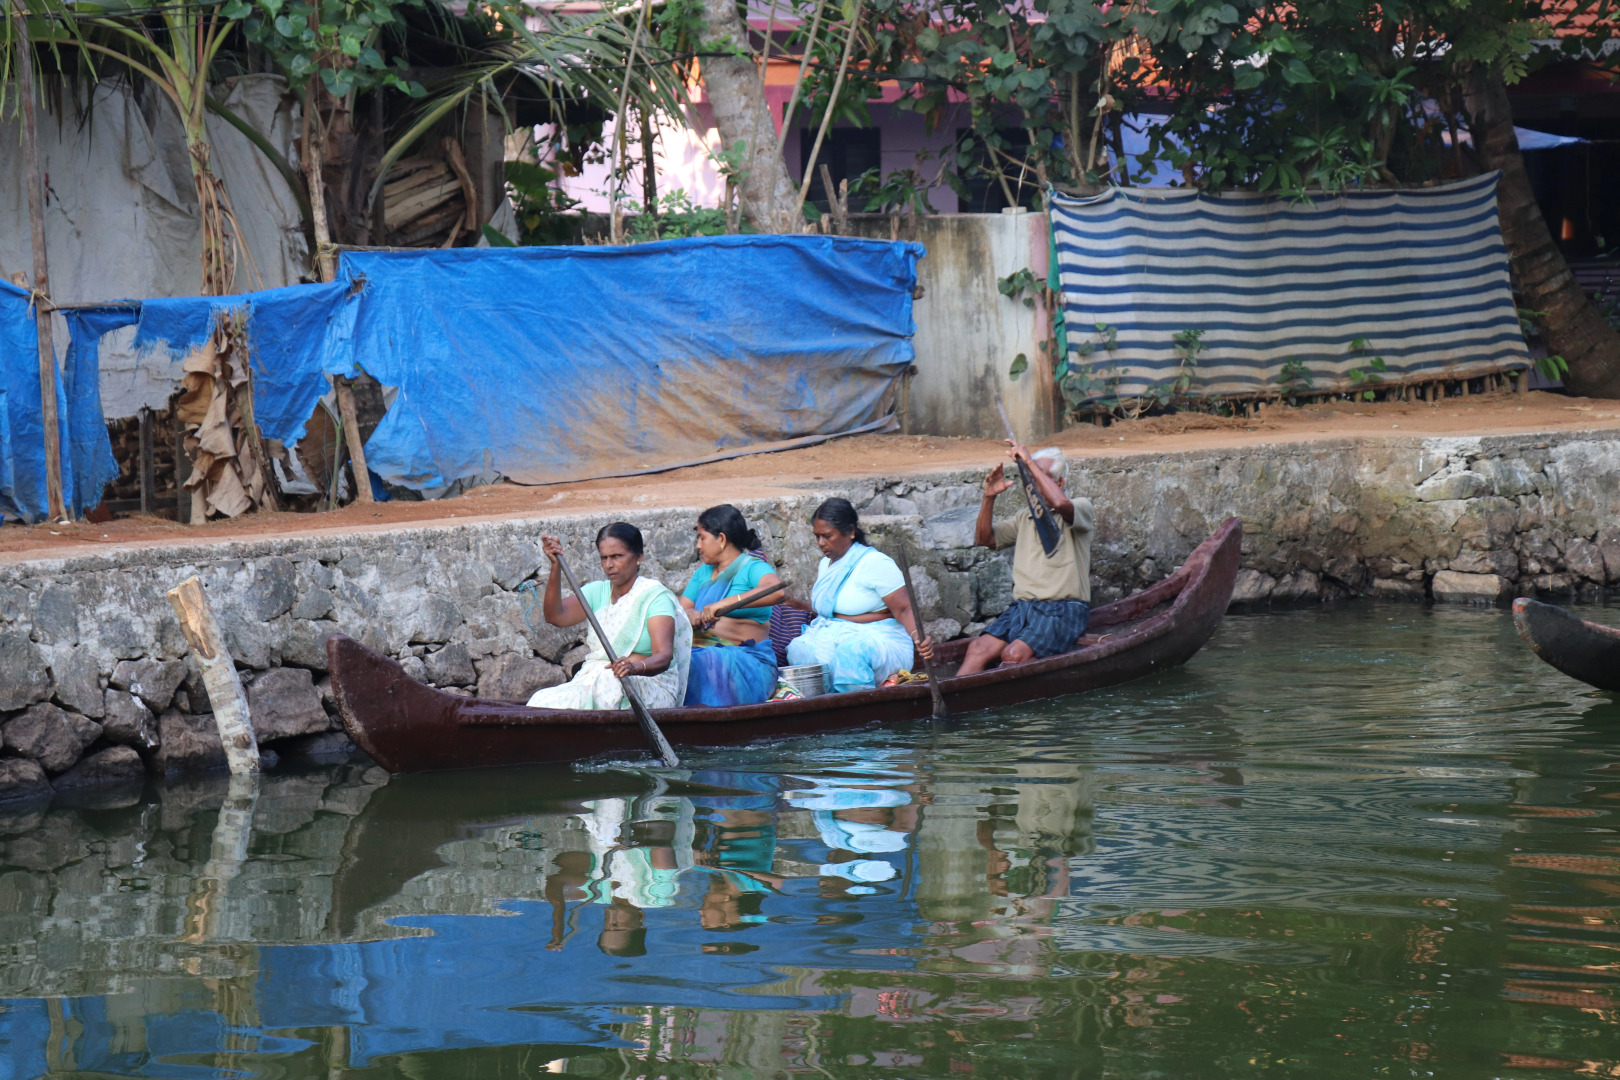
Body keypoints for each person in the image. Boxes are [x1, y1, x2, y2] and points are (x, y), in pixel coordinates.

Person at [956, 442, 1094, 676]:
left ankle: (1000, 704)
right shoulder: (1025, 517)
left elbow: (1060, 503)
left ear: (1059, 483)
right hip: (1024, 608)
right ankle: (954, 707)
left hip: (1063, 609)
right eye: (1030, 478)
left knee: (1013, 654)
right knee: (977, 648)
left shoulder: (1080, 507)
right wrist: (989, 497)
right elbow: (985, 538)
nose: (1033, 484)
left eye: (1041, 478)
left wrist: (1029, 462)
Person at [527, 522, 692, 710]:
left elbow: (663, 656)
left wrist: (633, 667)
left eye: (617, 556)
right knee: (539, 699)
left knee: (608, 680)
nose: (609, 565)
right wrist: (556, 567)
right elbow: (555, 616)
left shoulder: (654, 597)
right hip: (598, 681)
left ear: (638, 557)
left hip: (649, 686)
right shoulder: (597, 591)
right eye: (604, 558)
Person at [785, 498, 934, 693]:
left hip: (881, 640)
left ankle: (859, 712)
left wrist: (919, 638)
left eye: (828, 536)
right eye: (817, 536)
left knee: (852, 652)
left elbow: (904, 608)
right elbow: (828, 611)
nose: (821, 543)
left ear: (851, 532)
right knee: (799, 649)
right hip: (831, 636)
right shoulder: (825, 564)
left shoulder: (875, 563)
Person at [679, 505, 785, 707]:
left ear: (721, 539)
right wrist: (690, 613)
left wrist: (724, 603)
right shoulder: (702, 573)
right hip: (701, 652)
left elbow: (777, 590)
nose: (698, 546)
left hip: (747, 663)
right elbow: (678, 611)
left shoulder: (752, 567)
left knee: (709, 659)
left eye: (702, 538)